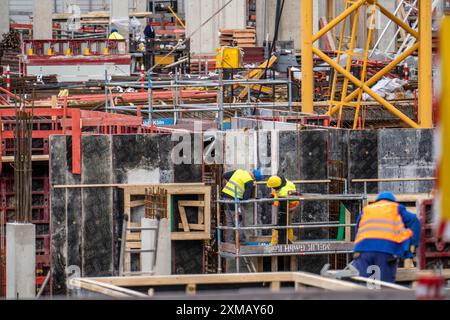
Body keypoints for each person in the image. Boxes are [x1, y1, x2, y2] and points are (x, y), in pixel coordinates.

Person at [352, 191, 421, 283]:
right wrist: (413, 244)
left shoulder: (367, 209)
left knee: (363, 284)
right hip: (386, 251)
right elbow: (414, 221)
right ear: (392, 201)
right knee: (385, 286)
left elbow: (358, 229)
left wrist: (359, 246)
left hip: (363, 250)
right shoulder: (396, 208)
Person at [221, 168, 263, 243]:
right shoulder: (249, 181)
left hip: (224, 197)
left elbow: (225, 175)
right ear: (255, 178)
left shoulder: (239, 171)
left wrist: (233, 181)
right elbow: (245, 198)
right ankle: (240, 241)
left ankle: (229, 241)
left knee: (229, 221)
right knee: (238, 220)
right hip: (233, 200)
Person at [267, 175, 300, 245]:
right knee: (288, 223)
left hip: (290, 206)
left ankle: (274, 242)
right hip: (293, 202)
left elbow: (282, 205)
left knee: (281, 224)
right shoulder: (284, 181)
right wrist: (273, 194)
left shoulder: (283, 192)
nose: (272, 188)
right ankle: (290, 239)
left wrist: (273, 199)